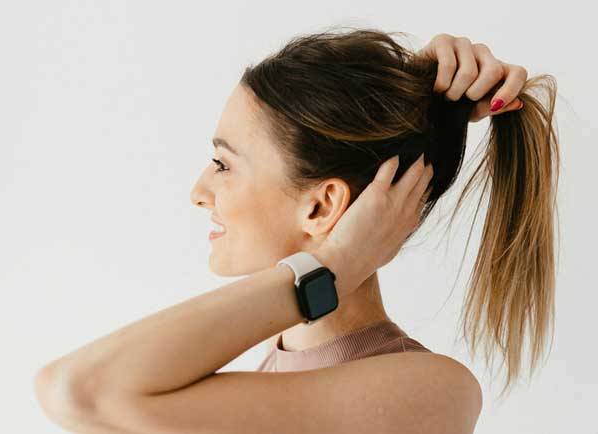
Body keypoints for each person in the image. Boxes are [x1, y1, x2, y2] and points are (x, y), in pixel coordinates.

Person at [35, 28, 559, 434]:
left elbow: (75, 388)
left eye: (223, 164)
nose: (198, 190)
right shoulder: (265, 364)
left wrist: (334, 269)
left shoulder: (429, 391)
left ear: (322, 205)